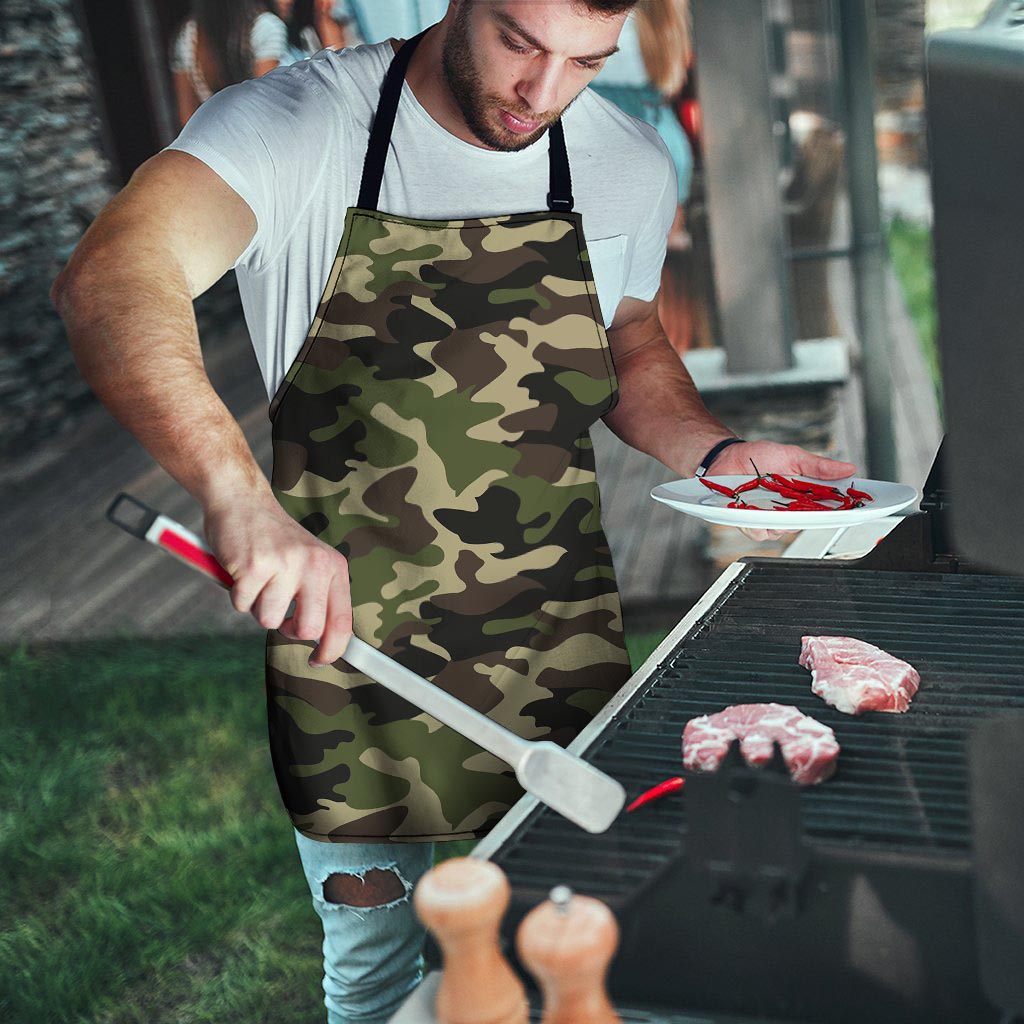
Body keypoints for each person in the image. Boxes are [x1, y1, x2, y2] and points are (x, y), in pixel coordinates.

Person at [52, 2, 856, 1020]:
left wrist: (718, 450)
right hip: (350, 657)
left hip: (554, 637)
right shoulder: (297, 125)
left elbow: (629, 338)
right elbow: (112, 275)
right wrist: (238, 497)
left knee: (587, 944)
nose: (543, 93)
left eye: (585, 62)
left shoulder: (624, 160)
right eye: (521, 42)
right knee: (381, 977)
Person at [170, 0, 289, 126]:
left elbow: (187, 118)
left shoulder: (187, 36)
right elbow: (266, 105)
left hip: (215, 138)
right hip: (264, 135)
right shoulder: (265, 27)